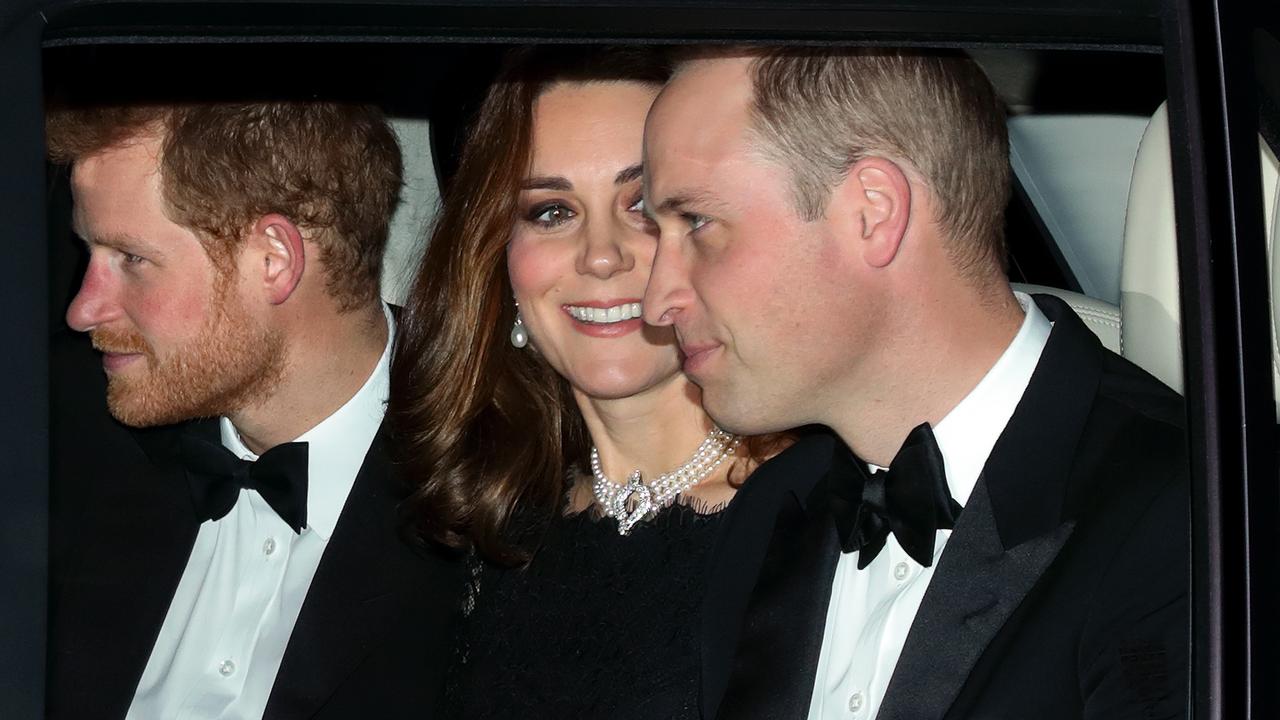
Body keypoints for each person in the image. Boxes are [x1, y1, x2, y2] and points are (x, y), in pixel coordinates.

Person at [642, 48, 1189, 719]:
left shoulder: (1194, 518)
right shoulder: (774, 511)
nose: (656, 301)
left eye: (697, 223)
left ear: (873, 212)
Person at [388, 46, 792, 719]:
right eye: (551, 211)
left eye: (643, 205)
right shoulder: (480, 526)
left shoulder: (820, 519)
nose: (600, 256)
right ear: (497, 258)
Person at [45, 100, 461, 719]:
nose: (82, 310)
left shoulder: (504, 501)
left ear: (274, 259)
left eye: (131, 259)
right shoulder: (56, 430)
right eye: (89, 254)